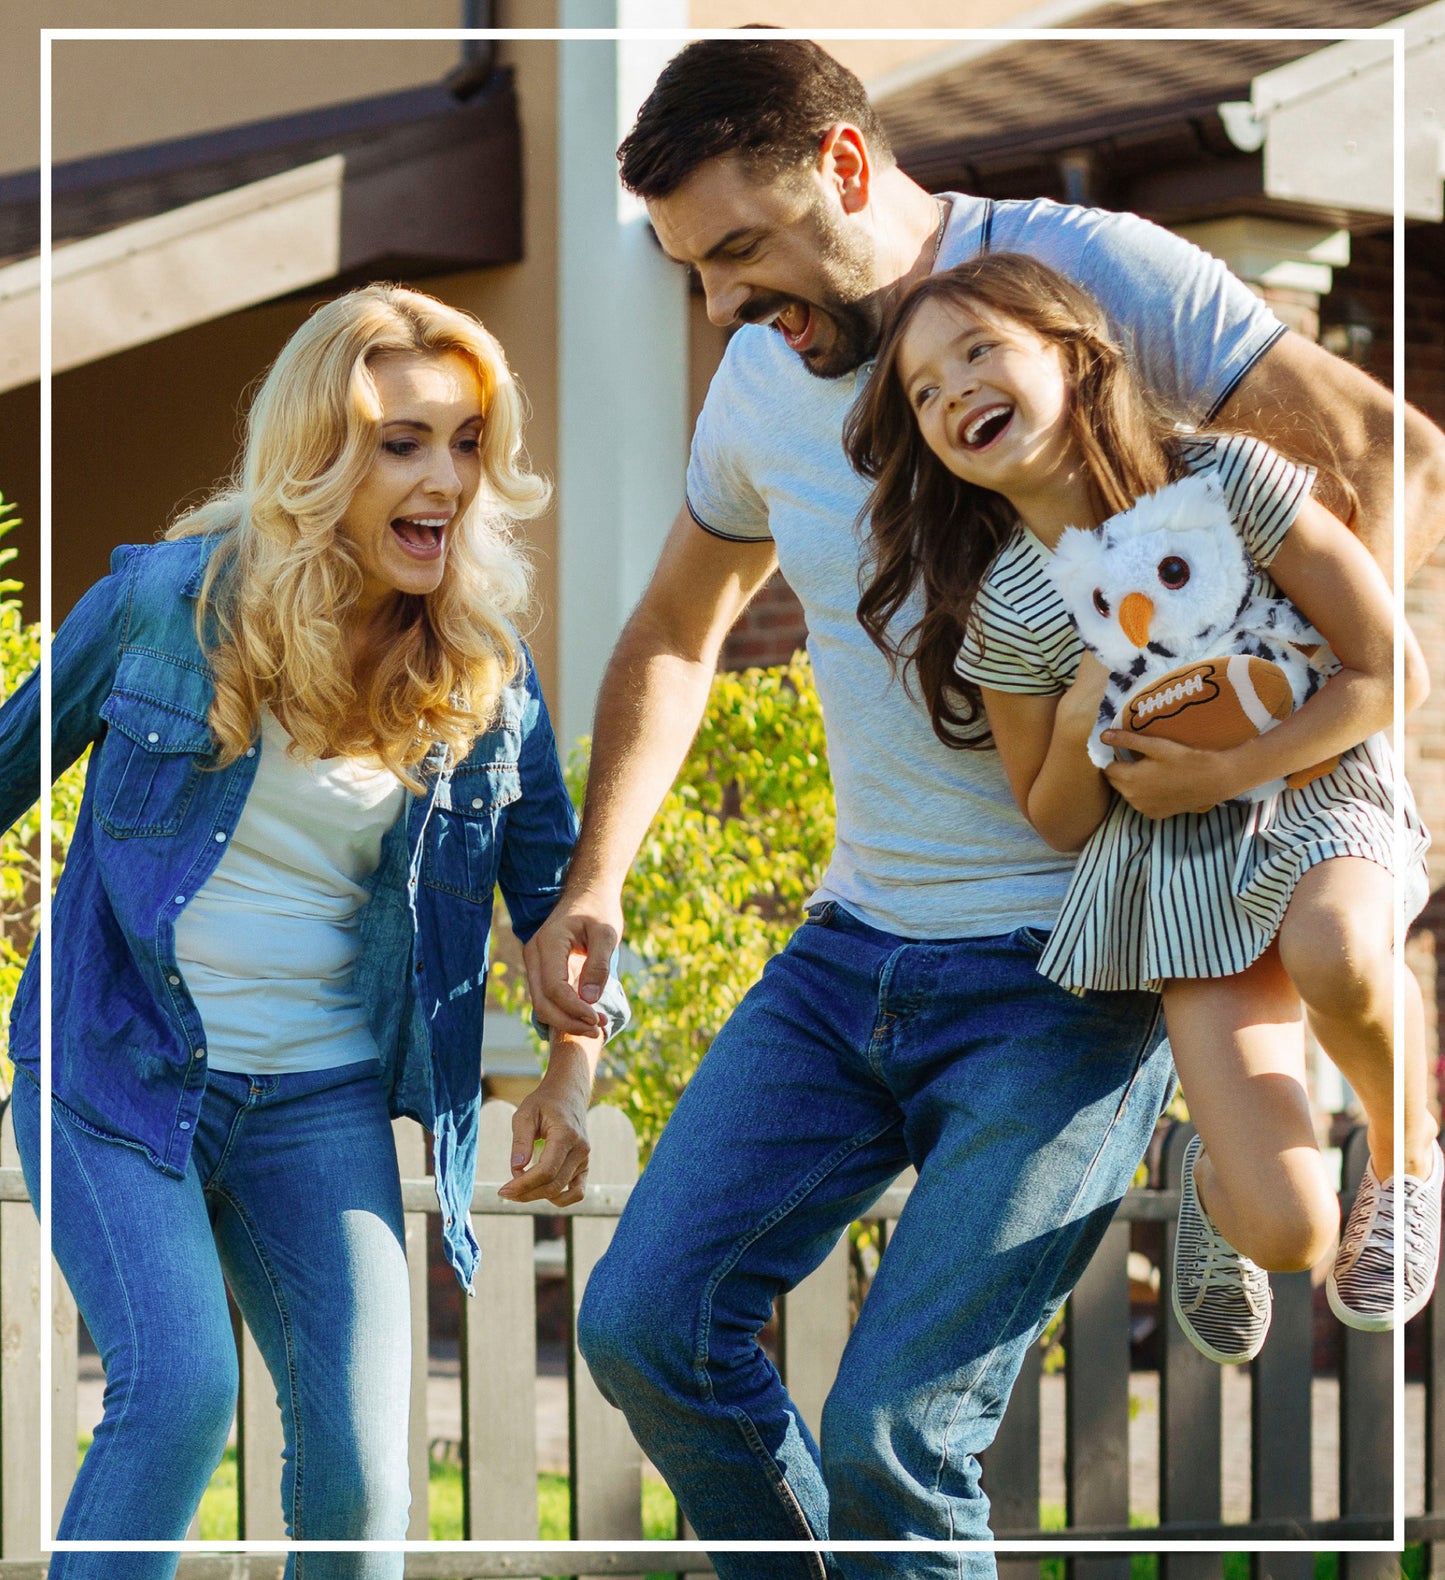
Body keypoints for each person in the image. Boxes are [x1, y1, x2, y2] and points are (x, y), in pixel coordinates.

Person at [520, 37, 1445, 1575]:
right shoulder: (762, 379)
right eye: (693, 269)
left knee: (896, 1433)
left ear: (845, 166)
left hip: (1073, 971)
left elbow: (1378, 452)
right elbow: (679, 633)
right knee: (642, 1326)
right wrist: (595, 879)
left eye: (741, 249)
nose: (725, 306)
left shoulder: (1091, 277)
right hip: (851, 951)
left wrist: (1282, 781)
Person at [0, 284, 627, 1576]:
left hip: (317, 1102)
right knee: (176, 1400)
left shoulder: (481, 671)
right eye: (403, 442)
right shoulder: (161, 610)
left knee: (360, 1475)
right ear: (320, 458)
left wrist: (571, 1073)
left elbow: (559, 904)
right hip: (115, 1067)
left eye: (464, 442)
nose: (445, 478)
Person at [845, 250, 1438, 1367]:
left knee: (1335, 942)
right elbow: (1057, 819)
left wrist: (1230, 766)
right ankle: (1220, 1187)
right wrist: (1074, 719)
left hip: (1319, 797)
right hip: (1178, 876)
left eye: (979, 349)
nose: (952, 388)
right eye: (922, 389)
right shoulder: (1011, 612)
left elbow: (1386, 674)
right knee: (1289, 1226)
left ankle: (1408, 1157)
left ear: (1072, 354)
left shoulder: (1227, 479)